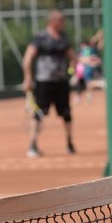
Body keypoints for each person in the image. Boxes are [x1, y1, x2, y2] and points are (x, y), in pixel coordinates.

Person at [22, 9, 77, 157]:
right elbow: (28, 58)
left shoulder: (63, 38)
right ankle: (33, 145)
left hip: (61, 82)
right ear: (52, 21)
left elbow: (73, 57)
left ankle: (70, 143)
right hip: (43, 82)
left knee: (66, 113)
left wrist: (72, 71)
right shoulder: (40, 38)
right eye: (61, 20)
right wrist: (28, 78)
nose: (63, 23)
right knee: (39, 113)